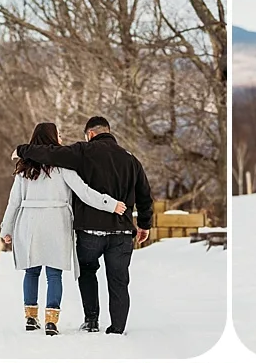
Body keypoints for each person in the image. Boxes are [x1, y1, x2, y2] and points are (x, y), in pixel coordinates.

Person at [14, 115, 154, 334]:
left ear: (90, 134)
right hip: (122, 232)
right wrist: (145, 225)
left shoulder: (82, 152)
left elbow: (49, 153)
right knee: (118, 279)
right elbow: (145, 196)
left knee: (88, 272)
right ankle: (117, 327)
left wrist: (22, 150)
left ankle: (91, 320)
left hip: (90, 231)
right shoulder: (131, 159)